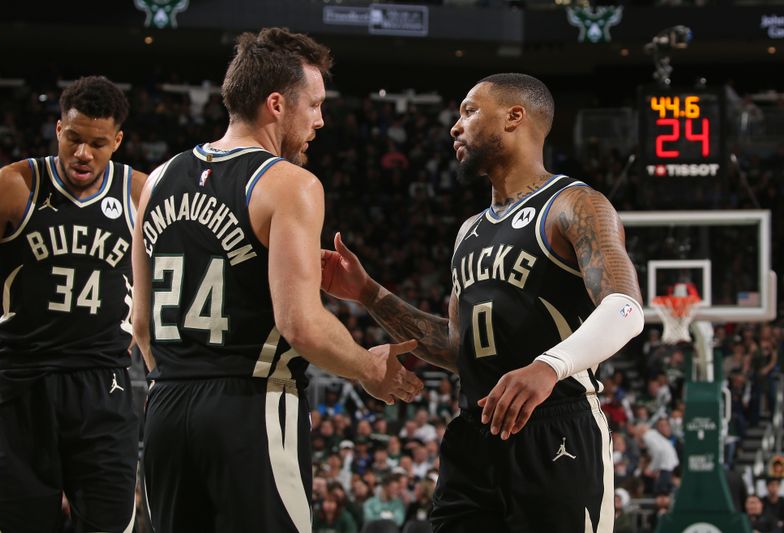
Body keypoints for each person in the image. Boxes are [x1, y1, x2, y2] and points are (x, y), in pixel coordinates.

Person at [321, 72, 644, 532]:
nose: (456, 126)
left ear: (515, 116)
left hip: (555, 427)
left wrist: (548, 366)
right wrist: (368, 293)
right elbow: (459, 349)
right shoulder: (468, 230)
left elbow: (626, 309)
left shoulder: (574, 204)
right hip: (475, 434)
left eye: (469, 111)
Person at [131, 27, 422, 533]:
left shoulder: (156, 180)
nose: (321, 120)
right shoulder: (289, 183)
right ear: (276, 104)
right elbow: (301, 326)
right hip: (251, 406)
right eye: (314, 105)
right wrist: (367, 368)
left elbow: (139, 324)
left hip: (165, 406)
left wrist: (185, 375)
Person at [0, 75, 147, 532]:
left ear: (117, 141)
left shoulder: (140, 193)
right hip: (24, 380)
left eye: (97, 143)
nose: (82, 154)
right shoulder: (12, 185)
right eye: (74, 139)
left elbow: (171, 281)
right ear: (58, 129)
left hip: (104, 383)